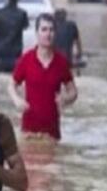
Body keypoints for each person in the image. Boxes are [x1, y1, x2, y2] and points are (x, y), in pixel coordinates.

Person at [9, 13, 78, 141]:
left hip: (51, 133)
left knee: (53, 162)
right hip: (29, 132)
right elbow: (12, 85)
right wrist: (17, 100)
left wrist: (65, 99)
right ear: (37, 33)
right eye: (44, 29)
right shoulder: (26, 59)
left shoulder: (61, 62)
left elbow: (73, 91)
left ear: (55, 34)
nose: (48, 34)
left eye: (51, 30)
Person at [0, 0, 29, 73]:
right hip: (16, 51)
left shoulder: (0, 12)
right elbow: (25, 26)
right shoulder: (22, 14)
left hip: (2, 51)